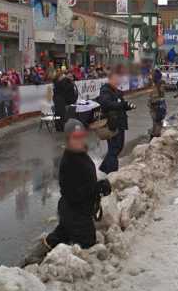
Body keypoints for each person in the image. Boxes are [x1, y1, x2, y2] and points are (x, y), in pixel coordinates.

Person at [36, 120, 109, 256]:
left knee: (61, 235)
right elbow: (74, 195)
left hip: (78, 212)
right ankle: (41, 255)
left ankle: (43, 250)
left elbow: (86, 183)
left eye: (81, 136)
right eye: (75, 137)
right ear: (68, 139)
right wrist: (97, 188)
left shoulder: (80, 154)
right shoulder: (68, 162)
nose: (79, 140)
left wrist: (99, 187)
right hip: (76, 214)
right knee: (88, 248)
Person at [95, 80, 131, 173]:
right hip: (112, 124)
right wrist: (121, 105)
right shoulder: (105, 90)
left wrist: (127, 106)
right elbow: (106, 104)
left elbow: (120, 104)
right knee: (114, 148)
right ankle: (112, 172)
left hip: (120, 122)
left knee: (117, 147)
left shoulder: (117, 91)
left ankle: (104, 168)